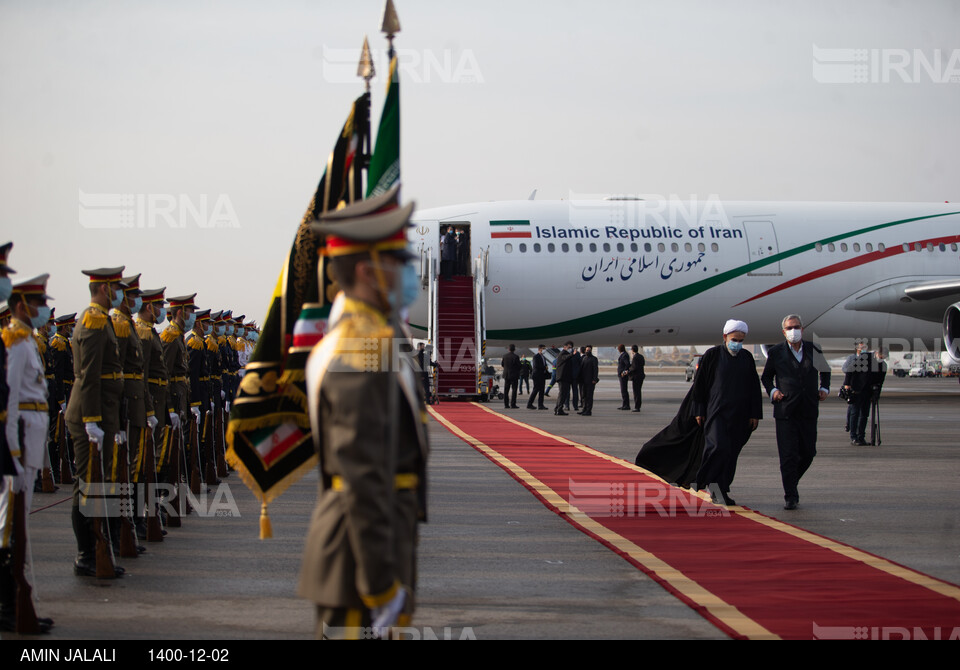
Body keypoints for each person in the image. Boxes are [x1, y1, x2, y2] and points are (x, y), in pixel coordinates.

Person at [299, 189, 428, 640]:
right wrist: (379, 586)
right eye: (399, 261)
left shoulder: (378, 336)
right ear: (368, 270)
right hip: (359, 566)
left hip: (376, 551)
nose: (409, 272)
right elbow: (361, 474)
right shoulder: (362, 346)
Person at [2, 272, 56, 632]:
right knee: (8, 526)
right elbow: (8, 403)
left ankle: (16, 601)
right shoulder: (16, 343)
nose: (44, 310)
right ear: (22, 305)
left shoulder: (28, 341)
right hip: (19, 442)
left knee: (18, 522)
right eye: (38, 304)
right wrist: (14, 454)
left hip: (30, 439)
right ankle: (9, 601)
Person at [65, 266, 127, 578]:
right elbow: (88, 375)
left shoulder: (104, 320)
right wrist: (91, 421)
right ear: (104, 289)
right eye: (117, 287)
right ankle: (85, 555)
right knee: (87, 484)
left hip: (104, 413)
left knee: (101, 482)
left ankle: (101, 549)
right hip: (91, 414)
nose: (121, 293)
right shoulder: (93, 320)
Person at [760, 314, 830, 510]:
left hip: (808, 408)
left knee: (808, 453)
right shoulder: (776, 352)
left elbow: (825, 371)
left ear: (802, 329)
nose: (794, 331)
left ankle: (792, 482)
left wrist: (825, 387)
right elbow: (766, 378)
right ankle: (790, 495)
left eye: (797, 327)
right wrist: (773, 391)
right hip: (786, 410)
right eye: (790, 328)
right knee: (788, 456)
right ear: (784, 332)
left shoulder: (813, 348)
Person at [692, 320, 763, 506]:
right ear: (725, 337)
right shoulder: (712, 355)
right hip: (716, 413)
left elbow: (754, 388)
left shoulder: (746, 357)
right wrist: (699, 410)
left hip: (739, 415)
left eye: (741, 340)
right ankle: (709, 482)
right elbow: (699, 386)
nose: (737, 344)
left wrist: (755, 413)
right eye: (734, 339)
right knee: (718, 447)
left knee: (731, 454)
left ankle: (721, 490)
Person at [843, 345, 886, 445]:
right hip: (856, 389)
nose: (882, 359)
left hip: (868, 392)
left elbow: (880, 382)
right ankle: (854, 437)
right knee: (855, 413)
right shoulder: (865, 357)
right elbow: (850, 369)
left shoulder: (883, 365)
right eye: (881, 356)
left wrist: (876, 395)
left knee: (864, 415)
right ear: (877, 353)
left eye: (883, 358)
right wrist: (847, 384)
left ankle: (861, 436)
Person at [840, 339, 867, 432]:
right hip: (852, 385)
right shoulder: (852, 358)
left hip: (862, 386)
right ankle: (849, 424)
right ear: (857, 348)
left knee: (859, 409)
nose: (863, 348)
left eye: (864, 347)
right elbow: (844, 368)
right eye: (862, 347)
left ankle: (856, 425)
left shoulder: (867, 358)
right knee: (852, 407)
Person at [553, 342, 574, 416]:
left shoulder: (565, 354)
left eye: (571, 347)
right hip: (562, 377)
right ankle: (559, 409)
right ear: (564, 347)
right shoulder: (562, 353)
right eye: (569, 347)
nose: (570, 349)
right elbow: (565, 358)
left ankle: (557, 408)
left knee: (562, 394)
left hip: (565, 377)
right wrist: (572, 354)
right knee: (562, 394)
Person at [578, 345, 599, 416]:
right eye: (587, 350)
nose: (588, 351)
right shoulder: (584, 358)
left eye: (589, 350)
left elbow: (595, 370)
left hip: (590, 381)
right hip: (583, 381)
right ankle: (584, 409)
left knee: (589, 396)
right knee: (583, 396)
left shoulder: (594, 359)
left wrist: (594, 379)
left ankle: (588, 410)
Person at [526, 345, 549, 410]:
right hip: (537, 375)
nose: (545, 350)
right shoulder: (536, 357)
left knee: (542, 390)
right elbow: (536, 365)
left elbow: (544, 364)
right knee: (536, 389)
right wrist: (544, 367)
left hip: (542, 375)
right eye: (544, 349)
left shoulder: (543, 357)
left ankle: (540, 405)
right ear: (540, 349)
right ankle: (529, 404)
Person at [501, 344, 521, 409]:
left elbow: (502, 364)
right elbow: (519, 366)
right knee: (514, 390)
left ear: (508, 349)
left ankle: (506, 405)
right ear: (514, 349)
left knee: (506, 390)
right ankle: (513, 404)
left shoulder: (505, 356)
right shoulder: (516, 357)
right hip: (514, 375)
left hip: (506, 375)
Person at [629, 344, 645, 412]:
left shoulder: (635, 357)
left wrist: (628, 370)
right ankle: (638, 406)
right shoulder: (641, 356)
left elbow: (634, 367)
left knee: (636, 392)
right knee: (639, 391)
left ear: (632, 350)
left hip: (636, 377)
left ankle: (637, 407)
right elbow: (643, 364)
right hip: (641, 376)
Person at [616, 344, 631, 410]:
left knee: (624, 390)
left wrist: (624, 372)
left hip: (623, 375)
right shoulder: (624, 354)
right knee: (623, 390)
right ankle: (624, 405)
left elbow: (627, 364)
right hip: (621, 375)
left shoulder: (624, 355)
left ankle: (626, 405)